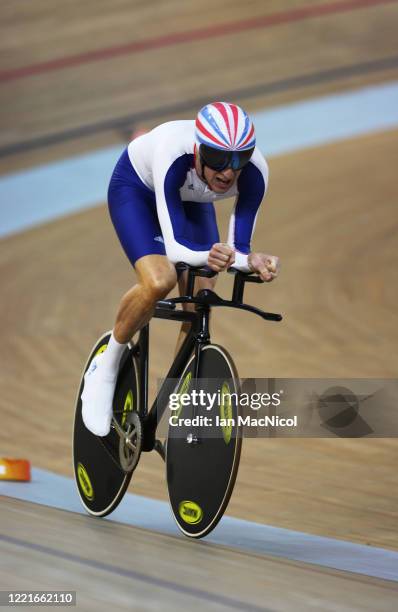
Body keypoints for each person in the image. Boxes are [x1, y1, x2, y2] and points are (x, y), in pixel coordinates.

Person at [81, 101, 280, 436]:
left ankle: (179, 402)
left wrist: (252, 261)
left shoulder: (257, 171)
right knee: (160, 280)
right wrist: (217, 258)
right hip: (138, 191)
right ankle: (107, 363)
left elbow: (238, 250)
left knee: (201, 299)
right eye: (218, 158)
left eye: (239, 159)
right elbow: (176, 250)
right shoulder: (173, 152)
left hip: (192, 201)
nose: (229, 171)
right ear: (198, 150)